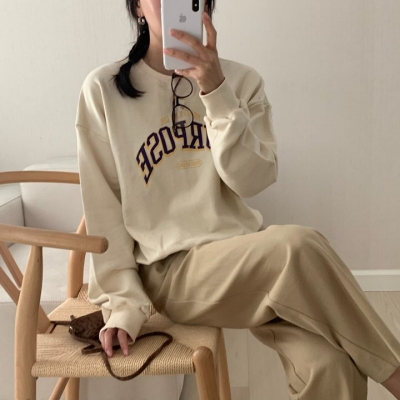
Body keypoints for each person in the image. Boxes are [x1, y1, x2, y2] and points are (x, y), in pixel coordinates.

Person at [76, 0, 400, 398]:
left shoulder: (241, 81)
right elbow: (104, 208)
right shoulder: (104, 90)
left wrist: (215, 91)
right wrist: (123, 305)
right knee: (298, 246)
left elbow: (253, 180)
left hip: (248, 258)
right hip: (172, 274)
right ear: (138, 7)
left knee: (330, 363)